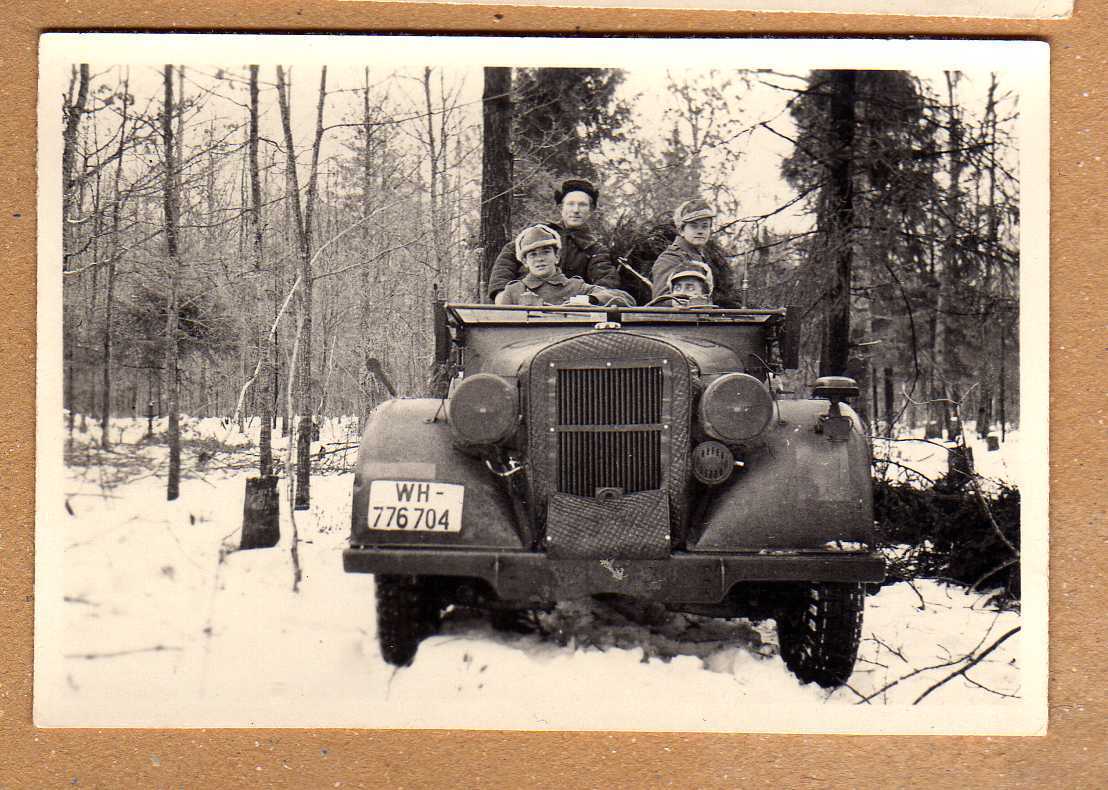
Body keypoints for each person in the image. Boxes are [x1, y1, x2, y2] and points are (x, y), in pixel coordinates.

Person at [486, 178, 619, 301]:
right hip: (526, 301)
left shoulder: (594, 249)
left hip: (570, 308)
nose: (576, 210)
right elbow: (507, 260)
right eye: (570, 204)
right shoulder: (541, 233)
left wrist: (591, 299)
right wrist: (501, 293)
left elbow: (606, 284)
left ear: (591, 210)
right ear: (561, 208)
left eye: (582, 205)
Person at [495, 224, 635, 307]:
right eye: (532, 254)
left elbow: (626, 299)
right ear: (525, 262)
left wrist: (589, 300)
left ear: (557, 256)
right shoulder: (513, 292)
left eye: (546, 252)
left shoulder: (576, 287)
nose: (540, 259)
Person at [650, 199, 736, 306]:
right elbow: (660, 302)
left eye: (704, 226)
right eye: (693, 226)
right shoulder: (670, 258)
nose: (700, 231)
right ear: (681, 230)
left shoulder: (702, 257)